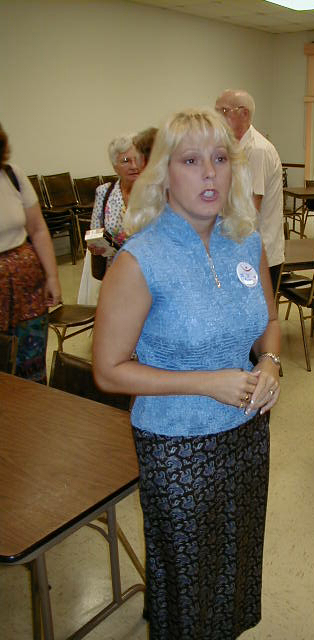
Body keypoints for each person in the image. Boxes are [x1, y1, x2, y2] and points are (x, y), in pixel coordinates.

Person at [93, 107, 281, 639]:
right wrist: (206, 382)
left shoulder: (246, 241)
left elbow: (269, 322)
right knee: (187, 579)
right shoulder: (140, 260)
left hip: (247, 433)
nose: (209, 173)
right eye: (191, 161)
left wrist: (270, 363)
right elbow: (108, 371)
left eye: (220, 158)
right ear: (164, 173)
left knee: (235, 562)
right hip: (177, 446)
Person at [0, 122, 62, 382]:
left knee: (31, 363)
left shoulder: (12, 175)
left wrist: (52, 277)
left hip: (28, 286)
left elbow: (37, 229)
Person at [215, 89, 285, 286]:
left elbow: (250, 210)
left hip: (260, 255)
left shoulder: (257, 150)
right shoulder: (234, 148)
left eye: (223, 111)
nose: (217, 117)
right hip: (242, 250)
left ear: (244, 113)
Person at [77, 133, 146, 304]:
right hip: (115, 272)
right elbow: (94, 231)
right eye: (126, 161)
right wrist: (95, 245)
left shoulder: (155, 192)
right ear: (115, 167)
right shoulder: (104, 192)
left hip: (148, 273)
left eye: (137, 159)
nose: (134, 166)